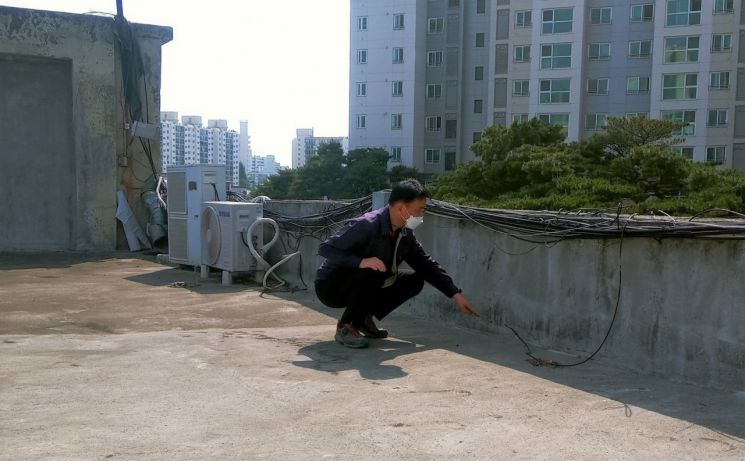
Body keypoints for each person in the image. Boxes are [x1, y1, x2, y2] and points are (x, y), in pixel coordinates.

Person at [314, 179, 479, 348]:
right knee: (375, 266)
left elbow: (426, 264)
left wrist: (455, 294)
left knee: (414, 280)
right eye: (419, 210)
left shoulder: (405, 234)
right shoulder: (367, 224)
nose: (421, 216)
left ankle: (363, 317)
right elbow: (326, 249)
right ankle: (347, 327)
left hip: (364, 282)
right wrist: (361, 261)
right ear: (402, 208)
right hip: (331, 286)